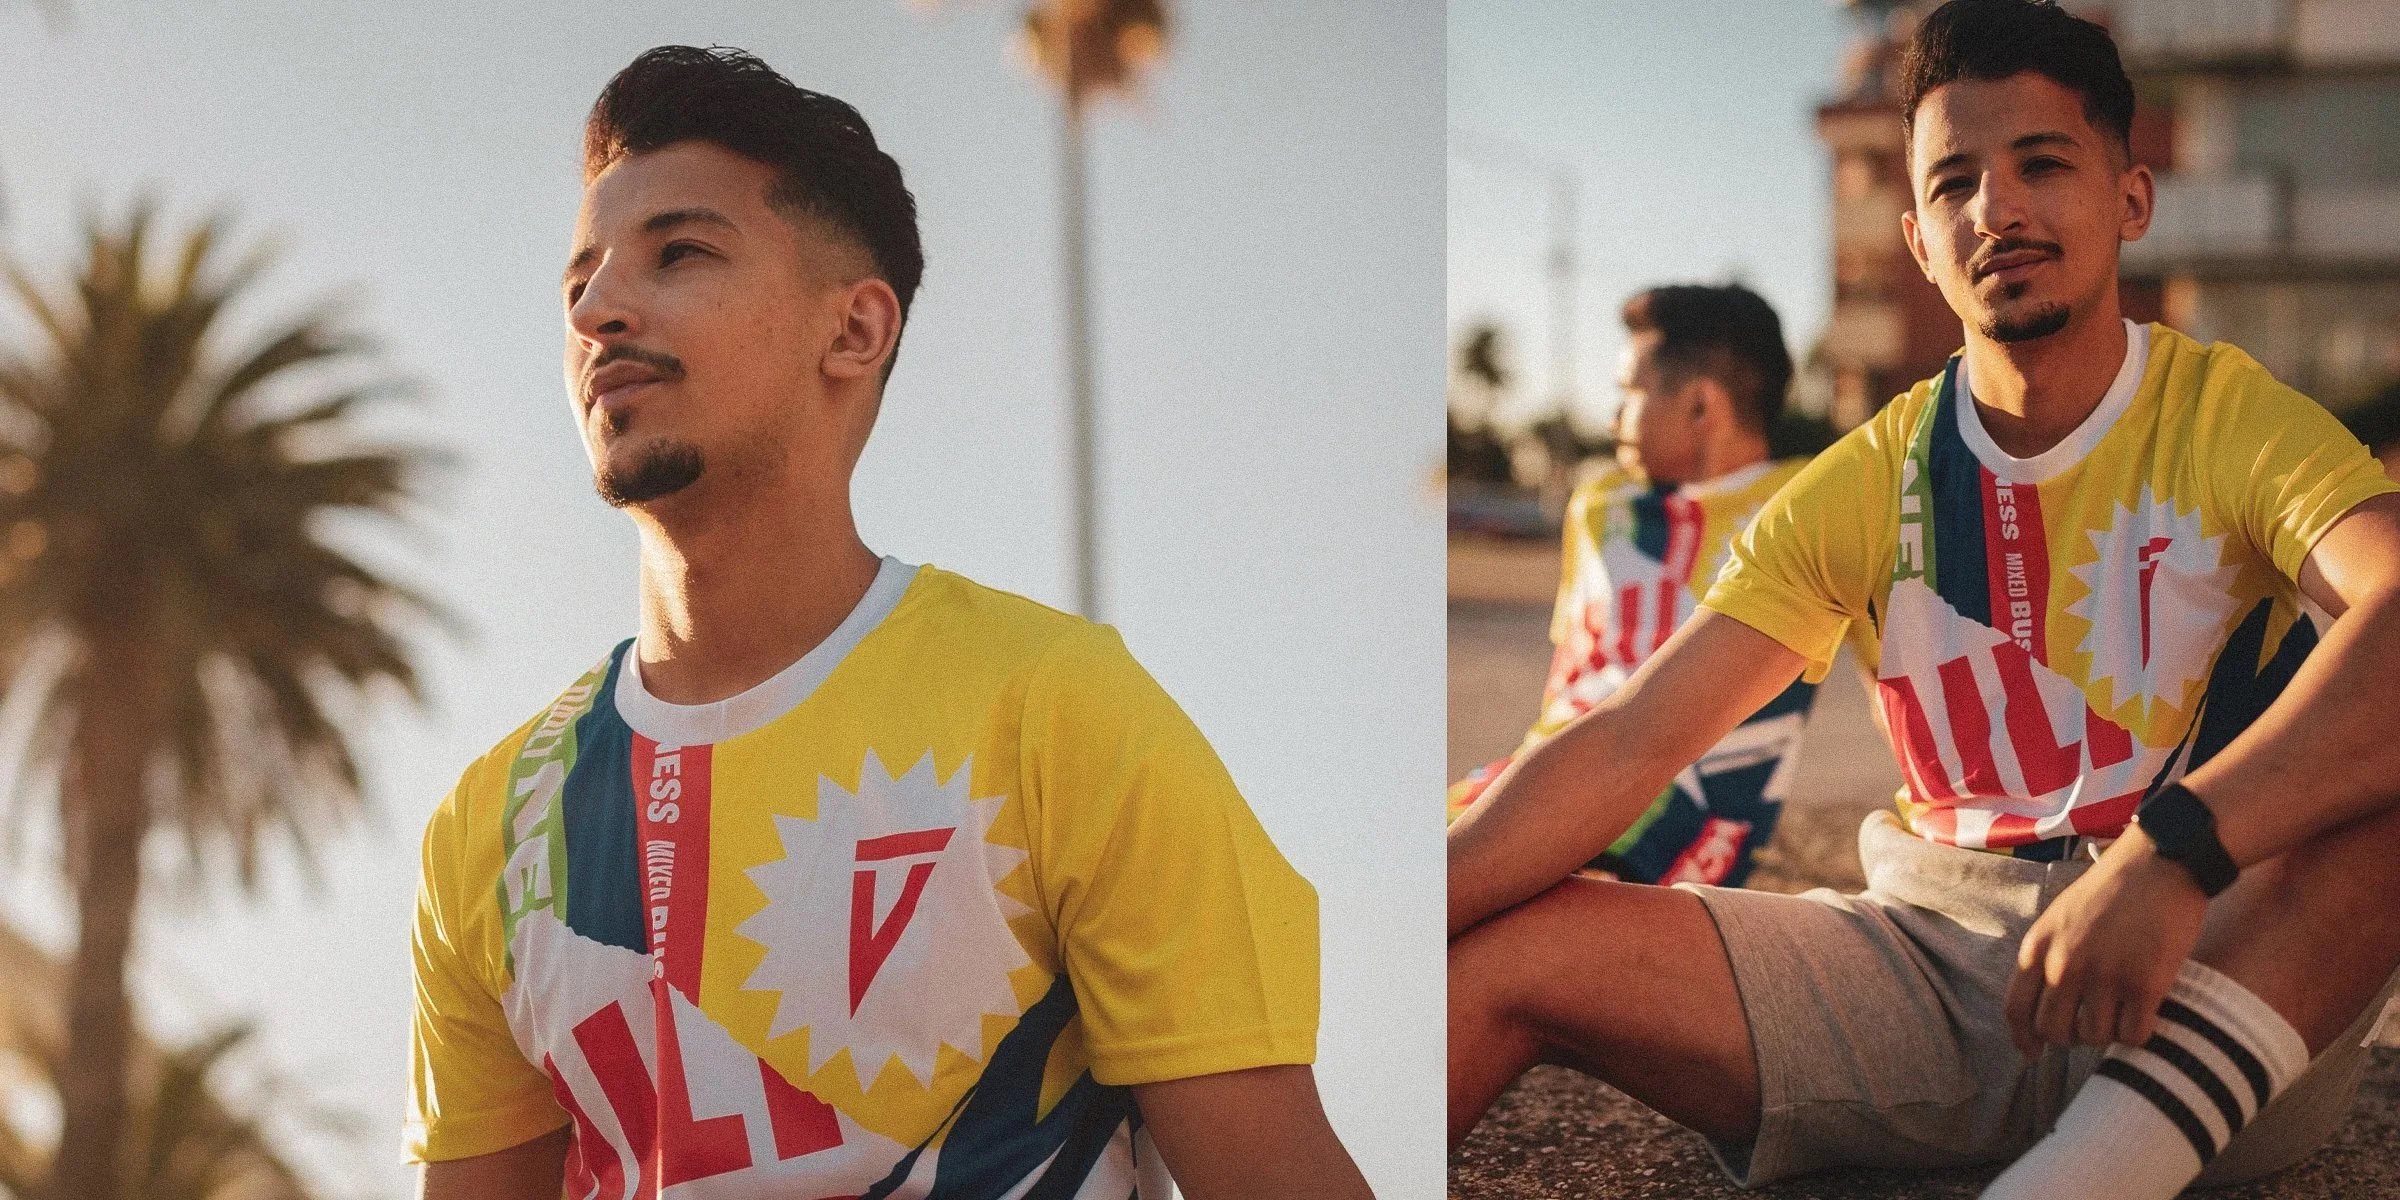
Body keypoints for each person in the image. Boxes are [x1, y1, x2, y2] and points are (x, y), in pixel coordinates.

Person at [1448, 3, 2400, 1198]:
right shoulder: (1868, 476)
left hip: (2210, 972)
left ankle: (2091, 1173)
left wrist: (2175, 853)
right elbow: (1631, 741)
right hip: (1929, 972)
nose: (1997, 210)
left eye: (2042, 165)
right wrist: (1387, 927)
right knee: (1498, 947)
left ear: (2132, 200)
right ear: (1917, 238)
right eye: (1955, 184)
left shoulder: (2226, 415)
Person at [405, 46, 1371, 1200]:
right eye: (580, 285)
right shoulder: (493, 826)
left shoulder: (1057, 711)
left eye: (681, 253)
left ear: (855, 332)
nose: (602, 311)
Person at [1449, 284, 1818, 887]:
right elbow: (1568, 675)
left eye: (1630, 392)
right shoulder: (1598, 503)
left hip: (1685, 819)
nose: (1615, 417)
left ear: (1702, 406)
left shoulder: (1806, 506)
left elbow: (1890, 680)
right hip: (1542, 781)